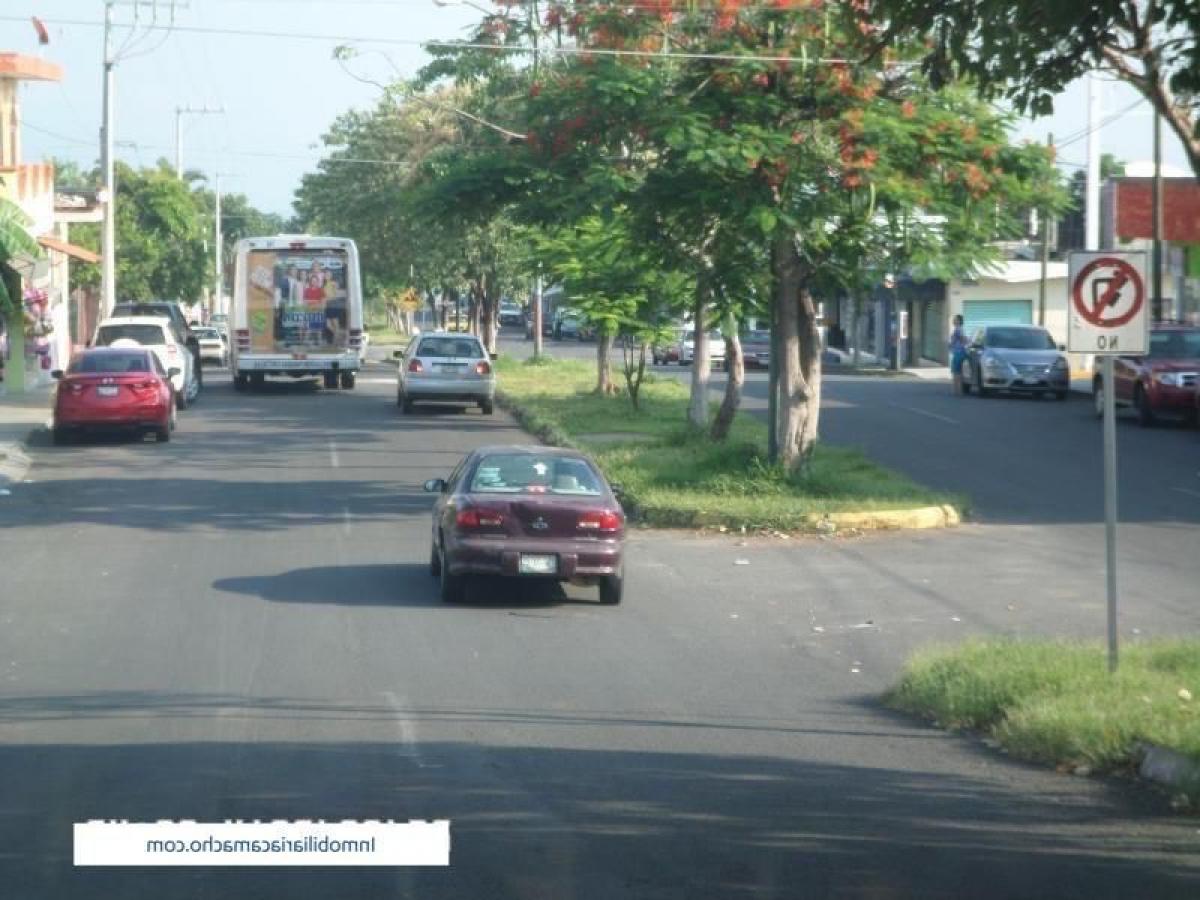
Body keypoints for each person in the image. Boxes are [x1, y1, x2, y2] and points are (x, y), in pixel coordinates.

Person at [948, 314, 969, 394]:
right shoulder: (959, 329)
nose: (953, 320)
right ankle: (958, 390)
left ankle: (957, 390)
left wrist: (954, 344)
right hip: (959, 351)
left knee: (956, 371)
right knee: (958, 371)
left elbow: (963, 339)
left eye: (955, 319)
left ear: (959, 321)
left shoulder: (958, 329)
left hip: (958, 352)